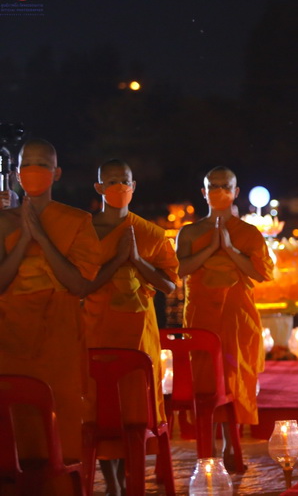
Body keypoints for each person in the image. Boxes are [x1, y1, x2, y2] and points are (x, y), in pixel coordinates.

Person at [0, 139, 99, 488]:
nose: (34, 171)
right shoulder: (2, 221)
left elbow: (80, 285)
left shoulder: (77, 221)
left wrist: (41, 237)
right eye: (27, 164)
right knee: (14, 425)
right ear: (16, 172)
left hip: (59, 338)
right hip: (10, 337)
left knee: (60, 423)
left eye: (42, 165)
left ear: (56, 173)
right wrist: (23, 238)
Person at [83, 159, 179, 495]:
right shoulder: (85, 232)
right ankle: (112, 484)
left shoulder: (151, 233)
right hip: (96, 330)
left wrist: (137, 260)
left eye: (123, 181)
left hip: (139, 336)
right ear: (98, 188)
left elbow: (170, 286)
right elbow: (79, 285)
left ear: (133, 186)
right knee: (101, 409)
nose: (118, 187)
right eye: (110, 182)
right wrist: (115, 262)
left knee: (134, 411)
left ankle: (128, 478)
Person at [177, 166, 273, 466]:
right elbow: (181, 270)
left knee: (236, 379)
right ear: (203, 192)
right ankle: (212, 447)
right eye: (213, 186)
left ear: (236, 192)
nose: (219, 191)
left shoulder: (248, 233)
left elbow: (261, 273)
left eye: (225, 186)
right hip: (201, 318)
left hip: (237, 317)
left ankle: (233, 445)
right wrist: (211, 249)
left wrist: (230, 249)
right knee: (206, 382)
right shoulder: (190, 232)